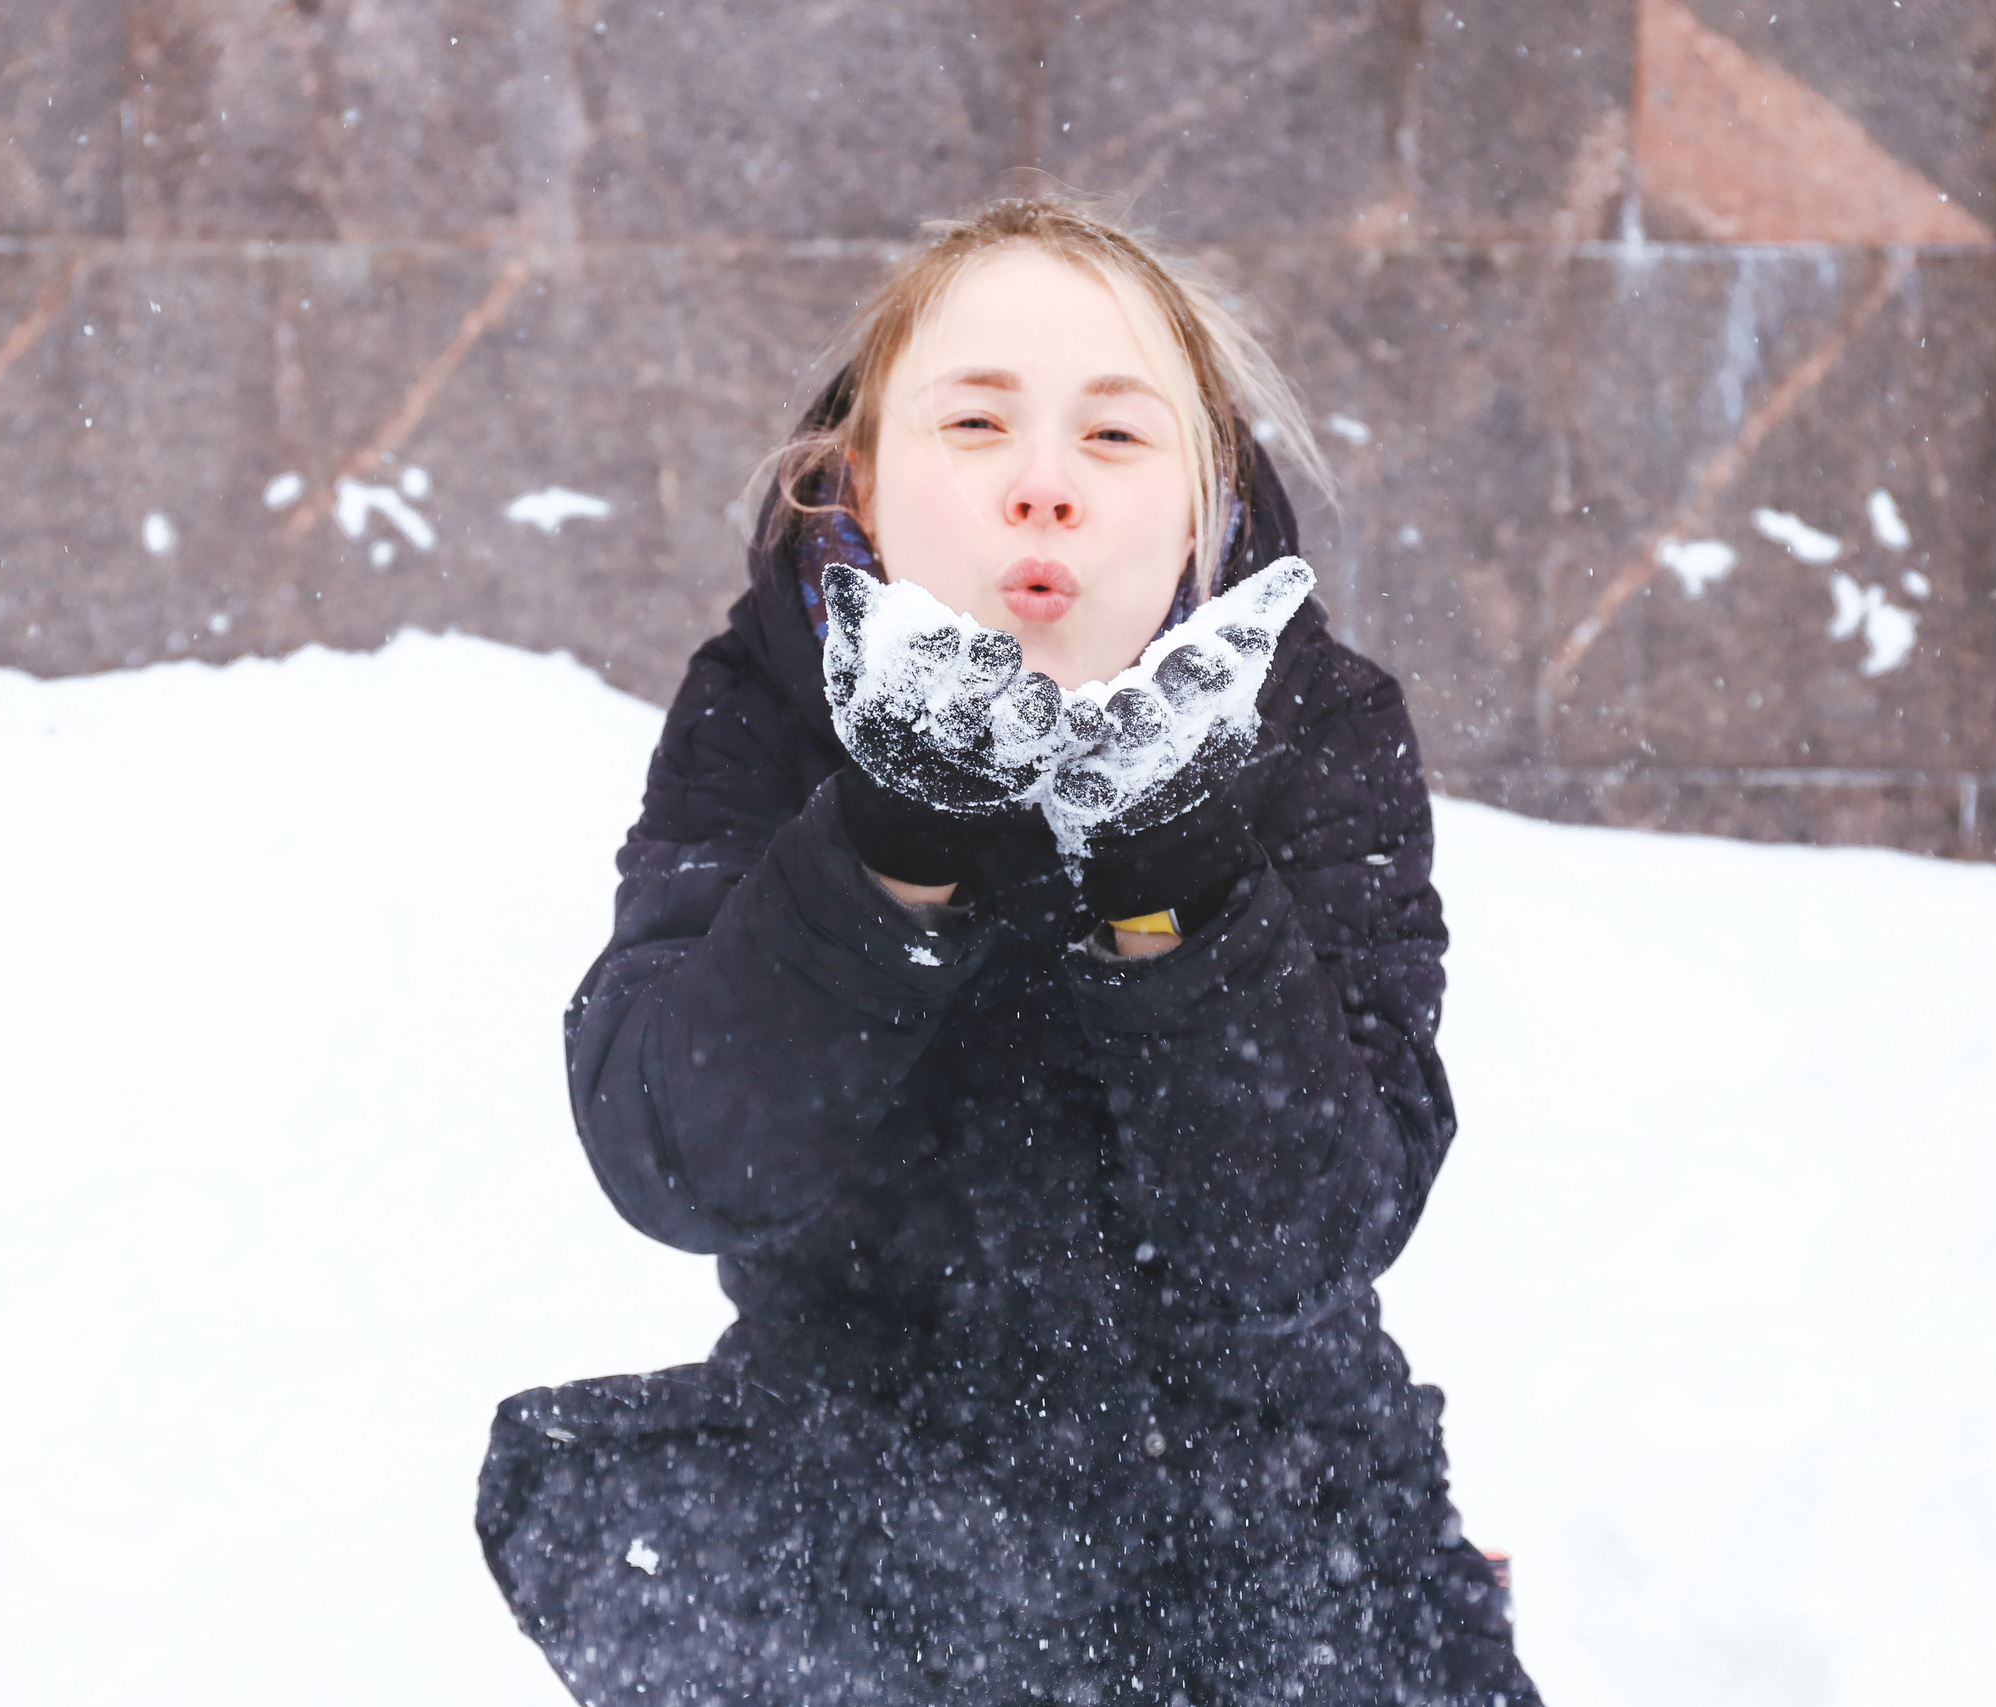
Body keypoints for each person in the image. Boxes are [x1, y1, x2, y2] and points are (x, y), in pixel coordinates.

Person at [477, 191, 1540, 1707]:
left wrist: (1173, 888)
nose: (1045, 487)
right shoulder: (770, 709)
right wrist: (886, 851)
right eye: (975, 425)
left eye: (1115, 438)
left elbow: (1300, 1235)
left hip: (1263, 1525)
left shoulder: (1313, 724)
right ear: (859, 477)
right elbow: (678, 1152)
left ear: (1203, 497)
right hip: (852, 1508)